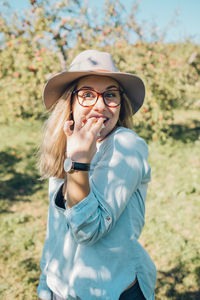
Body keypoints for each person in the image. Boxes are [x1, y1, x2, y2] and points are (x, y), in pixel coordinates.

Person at [37, 49, 157, 300]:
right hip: (63, 288)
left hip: (109, 291)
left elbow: (88, 230)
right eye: (87, 94)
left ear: (119, 103)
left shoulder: (125, 146)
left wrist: (80, 163)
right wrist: (46, 282)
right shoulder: (68, 144)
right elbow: (56, 230)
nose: (100, 105)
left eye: (110, 95)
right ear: (69, 102)